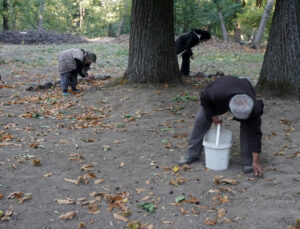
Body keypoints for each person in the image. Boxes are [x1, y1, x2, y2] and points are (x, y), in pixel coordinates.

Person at [178, 76, 264, 176]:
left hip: (243, 88)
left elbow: (256, 135)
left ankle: (248, 161)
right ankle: (192, 154)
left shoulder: (254, 108)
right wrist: (213, 116)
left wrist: (256, 161)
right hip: (220, 90)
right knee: (201, 120)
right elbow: (204, 98)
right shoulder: (216, 94)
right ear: (230, 109)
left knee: (249, 127)